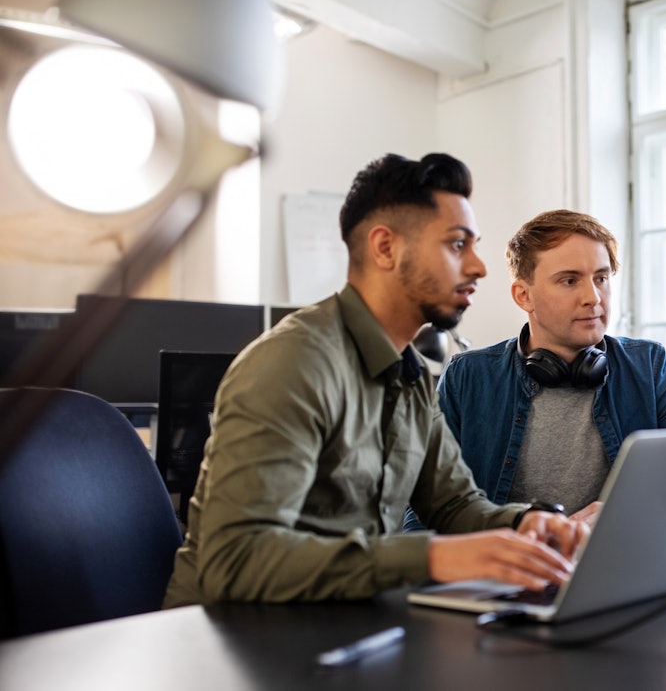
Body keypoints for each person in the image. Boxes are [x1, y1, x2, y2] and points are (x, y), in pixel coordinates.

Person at [163, 154, 585, 608]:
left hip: (339, 622)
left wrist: (525, 524)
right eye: (457, 244)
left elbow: (453, 505)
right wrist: (432, 557)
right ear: (385, 248)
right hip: (228, 634)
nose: (479, 266)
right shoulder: (294, 364)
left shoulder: (410, 373)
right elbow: (236, 561)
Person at [424, 209, 666, 527]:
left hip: (624, 549)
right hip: (511, 556)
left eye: (601, 278)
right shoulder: (467, 377)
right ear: (524, 296)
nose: (593, 297)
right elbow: (424, 512)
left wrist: (625, 514)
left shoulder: (649, 366)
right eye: (570, 281)